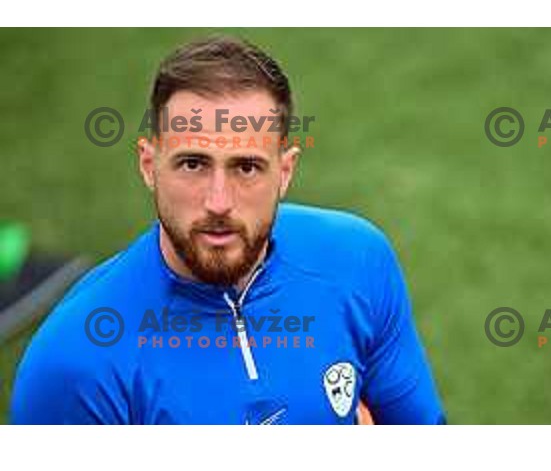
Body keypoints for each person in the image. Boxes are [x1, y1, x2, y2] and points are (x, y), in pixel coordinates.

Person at [10, 35, 445, 424]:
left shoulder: (356, 260)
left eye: (247, 167)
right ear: (149, 165)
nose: (218, 201)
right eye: (193, 164)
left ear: (285, 171)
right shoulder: (75, 360)